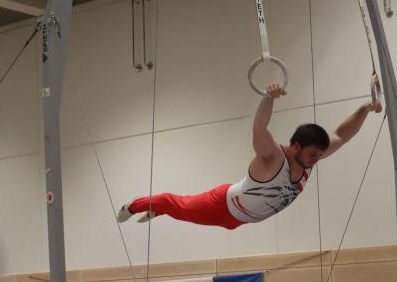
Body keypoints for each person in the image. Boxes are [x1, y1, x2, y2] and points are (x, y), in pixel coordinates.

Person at [117, 84, 381, 229]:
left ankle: (159, 210)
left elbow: (341, 135)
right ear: (297, 146)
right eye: (313, 154)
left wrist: (365, 109)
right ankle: (133, 205)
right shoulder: (273, 158)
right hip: (221, 206)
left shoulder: (310, 158)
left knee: (176, 210)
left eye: (319, 155)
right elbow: (259, 128)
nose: (316, 160)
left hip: (240, 220)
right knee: (176, 204)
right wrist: (269, 97)